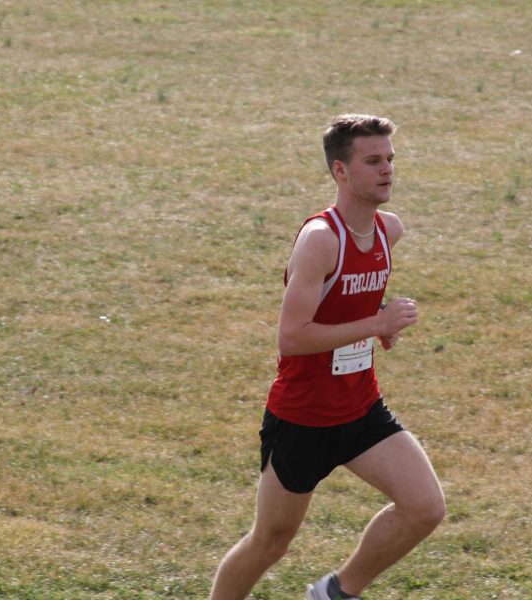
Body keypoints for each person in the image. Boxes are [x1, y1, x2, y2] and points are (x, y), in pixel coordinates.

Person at [210, 114, 445, 600]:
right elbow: (292, 337)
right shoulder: (321, 240)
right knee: (270, 544)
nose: (387, 170)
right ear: (341, 171)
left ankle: (336, 592)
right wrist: (375, 324)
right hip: (303, 418)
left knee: (425, 507)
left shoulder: (387, 231)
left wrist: (377, 321)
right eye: (373, 161)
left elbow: (350, 302)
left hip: (360, 411)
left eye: (390, 160)